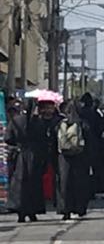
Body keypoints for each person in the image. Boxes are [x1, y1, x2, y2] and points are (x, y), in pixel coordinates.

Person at [7, 94, 59, 223]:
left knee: (19, 184)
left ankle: (20, 211)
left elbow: (8, 138)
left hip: (19, 156)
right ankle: (33, 211)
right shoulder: (39, 123)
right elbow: (43, 140)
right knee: (35, 184)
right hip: (35, 156)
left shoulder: (16, 121)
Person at [56, 99, 92, 221]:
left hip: (64, 158)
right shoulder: (83, 124)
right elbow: (90, 143)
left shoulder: (61, 123)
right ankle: (80, 208)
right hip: (81, 157)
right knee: (80, 183)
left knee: (64, 183)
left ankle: (65, 209)